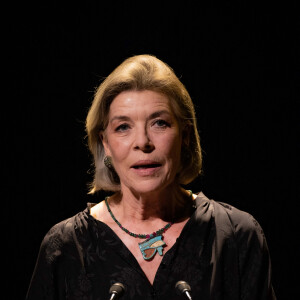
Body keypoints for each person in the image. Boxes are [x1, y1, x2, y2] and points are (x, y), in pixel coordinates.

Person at [26, 54, 276, 299]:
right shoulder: (65, 247)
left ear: (186, 135)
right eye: (123, 127)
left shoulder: (236, 236)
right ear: (106, 144)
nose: (143, 142)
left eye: (160, 123)